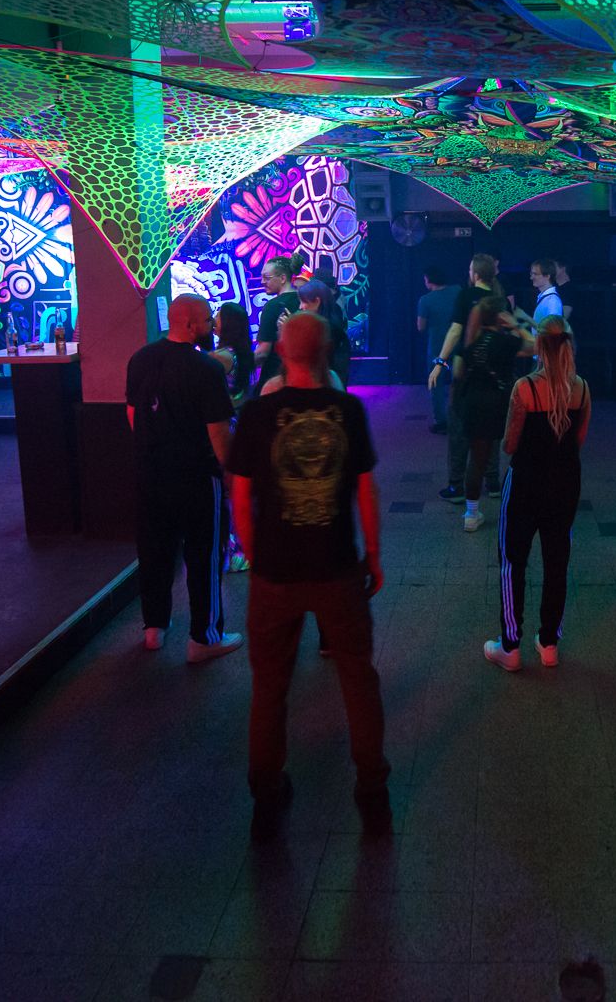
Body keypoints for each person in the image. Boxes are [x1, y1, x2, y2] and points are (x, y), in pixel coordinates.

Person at [227, 312, 390, 841]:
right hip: (337, 567)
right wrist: (373, 556)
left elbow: (240, 498)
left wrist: (256, 556)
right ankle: (371, 785)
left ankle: (266, 790)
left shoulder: (257, 414)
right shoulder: (348, 410)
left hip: (275, 572)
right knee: (358, 679)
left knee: (270, 686)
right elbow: (365, 491)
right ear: (327, 354)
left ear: (282, 353)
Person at [125, 295, 241, 661]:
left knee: (153, 551)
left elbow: (133, 416)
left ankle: (154, 629)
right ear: (190, 325)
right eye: (207, 320)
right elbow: (218, 434)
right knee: (204, 555)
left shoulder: (140, 358)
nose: (211, 326)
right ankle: (204, 639)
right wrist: (230, 475)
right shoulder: (206, 369)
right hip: (196, 477)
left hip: (149, 472)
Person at [484, 317, 590, 672]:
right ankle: (549, 644)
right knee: (557, 561)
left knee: (512, 561)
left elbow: (510, 444)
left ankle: (510, 646)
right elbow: (578, 440)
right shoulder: (581, 388)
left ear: (539, 346)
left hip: (526, 482)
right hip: (565, 482)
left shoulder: (525, 388)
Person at [429, 252, 503, 502]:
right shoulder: (500, 300)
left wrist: (440, 362)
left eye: (471, 269)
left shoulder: (466, 295)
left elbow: (455, 330)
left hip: (467, 371)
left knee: (459, 428)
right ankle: (492, 482)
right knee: (490, 428)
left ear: (476, 274)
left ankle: (456, 486)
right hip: (494, 373)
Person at [455, 295, 530, 533]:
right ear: (501, 317)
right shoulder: (506, 342)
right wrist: (517, 326)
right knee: (519, 453)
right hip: (501, 404)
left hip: (474, 403)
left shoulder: (472, 345)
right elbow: (536, 346)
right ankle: (522, 508)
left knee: (477, 459)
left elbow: (458, 373)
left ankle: (471, 514)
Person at [416, 266, 460, 433]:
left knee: (436, 384)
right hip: (458, 344)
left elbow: (420, 327)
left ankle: (440, 421)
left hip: (436, 346)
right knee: (459, 382)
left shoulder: (425, 300)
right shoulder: (457, 291)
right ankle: (459, 418)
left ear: (429, 280)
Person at [252, 257, 302, 394]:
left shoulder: (272, 306)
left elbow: (263, 352)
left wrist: (239, 366)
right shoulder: (304, 301)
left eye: (267, 278)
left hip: (275, 377)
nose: (262, 282)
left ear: (282, 278)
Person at [297, 280, 352, 387]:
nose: (300, 307)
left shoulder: (328, 329)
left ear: (317, 302)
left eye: (303, 301)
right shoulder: (328, 324)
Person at [212, 301, 256, 406]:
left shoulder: (220, 356)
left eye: (217, 316)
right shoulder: (241, 350)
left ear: (227, 323)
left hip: (226, 409)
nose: (213, 319)